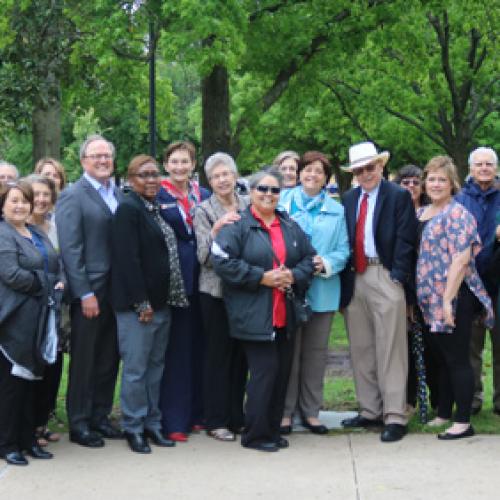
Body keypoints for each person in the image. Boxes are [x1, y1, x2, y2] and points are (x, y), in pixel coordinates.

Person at [212, 168, 315, 452]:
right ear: (251, 192)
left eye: (274, 190)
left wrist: (293, 275)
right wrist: (261, 277)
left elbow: (309, 257)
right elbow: (221, 261)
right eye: (263, 189)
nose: (268, 195)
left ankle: (271, 429)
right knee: (264, 372)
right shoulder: (238, 225)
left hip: (285, 313)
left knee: (281, 373)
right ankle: (255, 434)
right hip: (254, 314)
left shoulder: (289, 225)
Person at [340, 142, 417, 443]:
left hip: (384, 273)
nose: (365, 173)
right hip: (355, 276)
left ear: (381, 167)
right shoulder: (348, 198)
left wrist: (397, 276)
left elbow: (406, 238)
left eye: (370, 167)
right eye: (359, 170)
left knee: (391, 348)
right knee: (361, 347)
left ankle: (395, 415)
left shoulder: (397, 195)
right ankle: (370, 410)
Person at [111, 155, 187, 453]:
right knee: (136, 369)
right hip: (138, 308)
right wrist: (141, 303)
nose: (152, 180)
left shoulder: (153, 209)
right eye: (144, 175)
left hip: (162, 303)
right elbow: (127, 261)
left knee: (156, 367)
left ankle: (152, 423)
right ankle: (134, 426)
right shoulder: (128, 210)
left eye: (155, 174)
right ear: (131, 180)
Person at [416, 156, 493, 439]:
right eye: (432, 179)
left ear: (452, 184)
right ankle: (443, 413)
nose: (436, 184)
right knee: (441, 359)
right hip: (427, 300)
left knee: (458, 358)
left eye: (442, 180)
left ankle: (463, 421)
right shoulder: (421, 213)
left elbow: (461, 261)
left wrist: (447, 301)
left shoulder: (458, 214)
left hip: (454, 297)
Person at [56, 134, 123, 448]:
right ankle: (80, 422)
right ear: (83, 161)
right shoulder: (73, 195)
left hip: (117, 291)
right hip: (91, 292)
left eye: (106, 156)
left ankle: (100, 416)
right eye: (95, 156)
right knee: (84, 359)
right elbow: (70, 249)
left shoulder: (118, 193)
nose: (102, 161)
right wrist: (84, 293)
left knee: (109, 357)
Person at [278, 151, 349, 434]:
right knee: (289, 353)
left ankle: (311, 411)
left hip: (322, 290)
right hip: (287, 290)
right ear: (299, 173)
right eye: (307, 170)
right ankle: (285, 412)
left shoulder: (336, 210)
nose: (312, 175)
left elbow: (344, 250)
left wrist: (326, 262)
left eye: (319, 172)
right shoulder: (282, 203)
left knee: (315, 353)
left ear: (326, 179)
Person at [0, 180, 62, 465]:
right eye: (13, 200)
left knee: (31, 384)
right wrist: (47, 284)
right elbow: (11, 274)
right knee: (12, 386)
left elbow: (54, 264)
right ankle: (7, 443)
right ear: (2, 205)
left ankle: (27, 439)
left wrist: (57, 282)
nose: (20, 205)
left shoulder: (35, 232)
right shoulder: (3, 234)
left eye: (24, 200)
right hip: (14, 320)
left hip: (39, 317)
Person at [193, 152, 249, 442]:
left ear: (235, 175)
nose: (222, 180)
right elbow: (203, 256)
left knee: (241, 356)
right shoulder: (203, 210)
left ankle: (237, 416)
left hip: (246, 292)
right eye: (216, 176)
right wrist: (216, 230)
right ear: (209, 182)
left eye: (226, 173)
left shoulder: (249, 204)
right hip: (215, 292)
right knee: (218, 357)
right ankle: (216, 419)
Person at [157, 141, 210, 442]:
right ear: (166, 165)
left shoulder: (202, 195)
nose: (180, 167)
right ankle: (174, 418)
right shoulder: (159, 195)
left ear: (193, 164)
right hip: (175, 284)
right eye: (174, 162)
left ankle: (198, 412)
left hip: (203, 282)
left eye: (185, 161)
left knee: (199, 348)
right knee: (176, 351)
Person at [455, 147, 500, 416]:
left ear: (496, 168)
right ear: (470, 169)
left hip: (499, 279)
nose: (484, 168)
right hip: (470, 281)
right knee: (471, 344)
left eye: (489, 164)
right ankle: (472, 397)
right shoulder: (460, 199)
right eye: (479, 164)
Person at [394, 164, 439, 414]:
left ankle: (437, 402)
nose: (411, 187)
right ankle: (409, 400)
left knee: (431, 351)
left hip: (430, 290)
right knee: (407, 350)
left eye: (415, 182)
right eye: (405, 182)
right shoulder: (394, 213)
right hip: (403, 289)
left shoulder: (428, 214)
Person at [25, 175, 63, 447]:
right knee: (28, 370)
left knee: (52, 366)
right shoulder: (15, 228)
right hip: (27, 310)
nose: (41, 199)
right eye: (35, 194)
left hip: (54, 308)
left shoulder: (53, 227)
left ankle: (40, 423)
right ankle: (24, 428)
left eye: (45, 194)